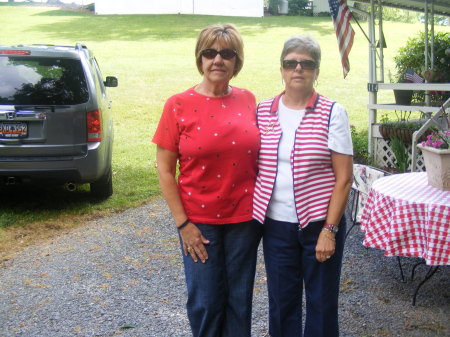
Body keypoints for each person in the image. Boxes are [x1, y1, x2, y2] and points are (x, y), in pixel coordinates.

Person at [152, 24, 262, 337]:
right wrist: (183, 225)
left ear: (236, 61)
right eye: (209, 53)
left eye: (227, 53)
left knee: (239, 301)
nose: (218, 60)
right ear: (200, 59)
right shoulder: (178, 105)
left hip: (245, 220)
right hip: (199, 223)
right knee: (206, 302)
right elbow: (164, 170)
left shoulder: (248, 99)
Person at [253, 35, 353, 337]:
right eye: (291, 63)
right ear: (282, 69)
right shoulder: (262, 111)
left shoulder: (332, 112)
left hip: (319, 225)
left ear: (317, 71)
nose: (298, 69)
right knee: (282, 302)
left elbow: (344, 177)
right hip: (276, 226)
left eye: (306, 64)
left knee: (322, 301)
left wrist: (329, 230)